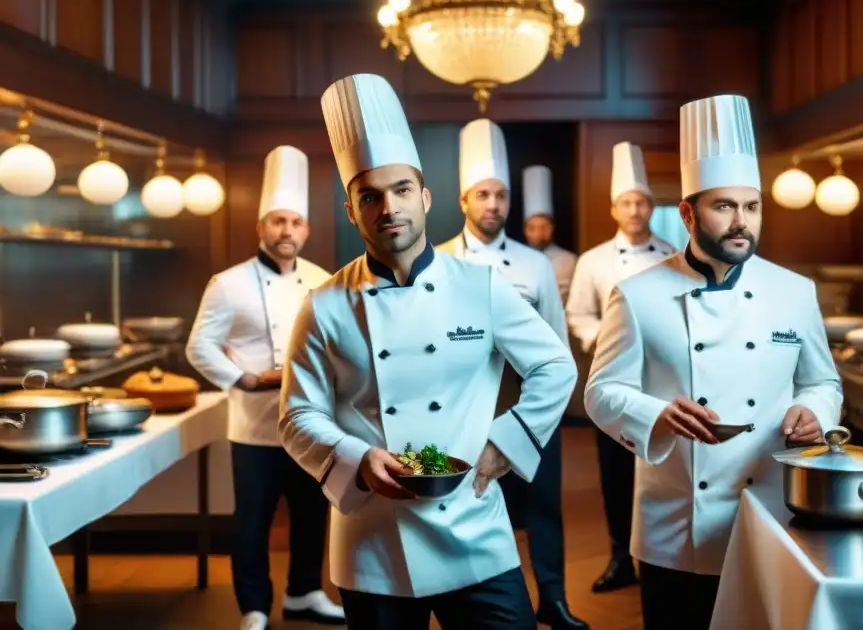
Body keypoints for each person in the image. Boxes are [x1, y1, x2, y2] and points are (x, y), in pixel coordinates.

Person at [278, 74, 577, 630]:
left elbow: (555, 365)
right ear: (351, 210)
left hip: (474, 523)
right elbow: (296, 416)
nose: (387, 207)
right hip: (374, 538)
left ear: (426, 197)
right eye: (369, 196)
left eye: (401, 190)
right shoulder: (321, 306)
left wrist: (506, 443)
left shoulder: (481, 287)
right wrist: (354, 458)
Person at [583, 94, 844, 630]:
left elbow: (822, 380)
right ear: (687, 212)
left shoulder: (794, 292)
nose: (740, 222)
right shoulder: (638, 295)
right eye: (724, 206)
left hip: (773, 511)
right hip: (677, 525)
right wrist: (655, 414)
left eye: (751, 206)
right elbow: (601, 391)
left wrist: (816, 409)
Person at [436, 120, 588, 630]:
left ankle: (554, 598)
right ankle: (469, 597)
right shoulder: (437, 262)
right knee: (469, 500)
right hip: (461, 408)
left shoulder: (533, 263)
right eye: (484, 194)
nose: (494, 205)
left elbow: (557, 343)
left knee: (544, 505)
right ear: (463, 201)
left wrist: (552, 408)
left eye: (501, 195)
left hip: (528, 401)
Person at [186, 146, 345, 630]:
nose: (287, 232)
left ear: (306, 231)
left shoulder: (323, 281)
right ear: (261, 227)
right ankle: (253, 606)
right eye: (278, 222)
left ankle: (305, 592)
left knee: (312, 515)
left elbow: (334, 348)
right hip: (252, 429)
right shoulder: (227, 283)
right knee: (252, 522)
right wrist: (244, 379)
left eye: (295, 223)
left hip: (310, 422)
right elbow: (200, 347)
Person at [564, 141, 675, 593]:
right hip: (613, 380)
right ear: (614, 208)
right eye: (627, 202)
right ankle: (618, 556)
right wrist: (603, 342)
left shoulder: (672, 254)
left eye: (641, 201)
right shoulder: (592, 261)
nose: (634, 209)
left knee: (662, 468)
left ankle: (659, 556)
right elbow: (578, 315)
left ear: (650, 206)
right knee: (614, 472)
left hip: (664, 383)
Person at [522, 165, 577, 305]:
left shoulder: (569, 260)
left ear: (552, 228)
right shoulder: (514, 257)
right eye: (532, 228)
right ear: (525, 230)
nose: (538, 233)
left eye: (543, 227)